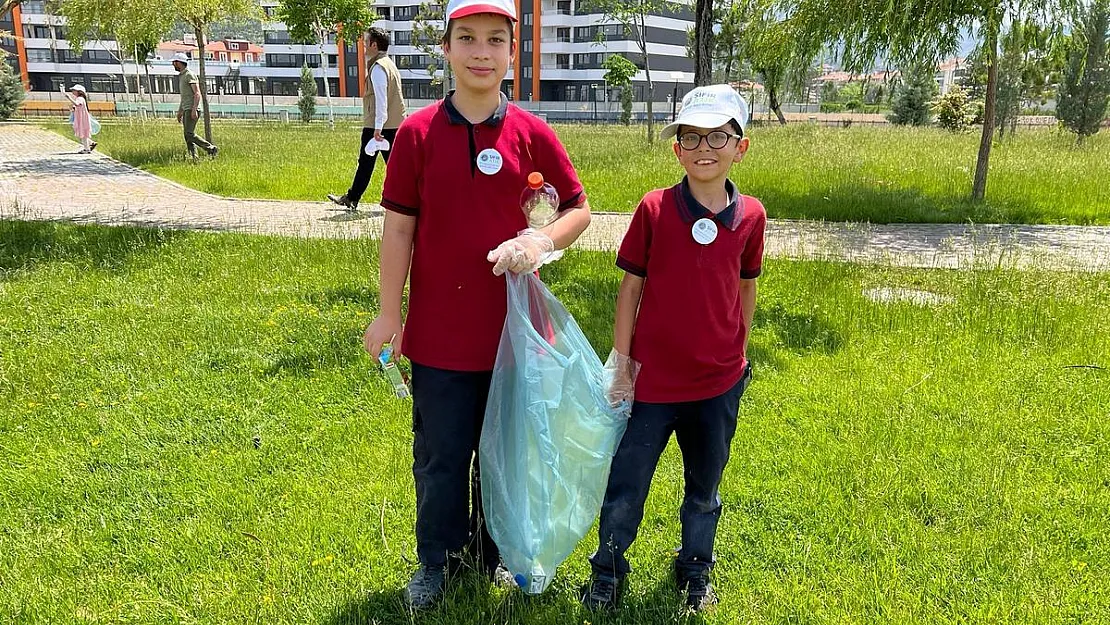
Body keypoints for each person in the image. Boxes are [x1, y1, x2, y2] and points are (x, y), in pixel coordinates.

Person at [360, 0, 592, 610]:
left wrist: (541, 238)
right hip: (438, 337)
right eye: (467, 39)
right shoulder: (417, 134)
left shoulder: (531, 132)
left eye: (495, 40)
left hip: (513, 335)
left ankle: (493, 555)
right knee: (440, 458)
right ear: (447, 50)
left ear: (513, 53)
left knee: (503, 455)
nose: (481, 52)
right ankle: (436, 560)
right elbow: (399, 231)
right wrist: (390, 313)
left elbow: (578, 207)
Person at [581, 84, 766, 613]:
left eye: (718, 136)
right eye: (691, 137)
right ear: (676, 147)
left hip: (717, 384)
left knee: (704, 490)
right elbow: (631, 289)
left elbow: (746, 286)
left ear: (740, 147)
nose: (704, 148)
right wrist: (622, 365)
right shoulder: (655, 208)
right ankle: (608, 571)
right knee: (627, 486)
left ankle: (695, 570)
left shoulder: (752, 216)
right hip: (653, 383)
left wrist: (740, 354)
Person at [327, 27, 406, 211]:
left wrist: (377, 128)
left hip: (378, 126)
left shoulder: (378, 68)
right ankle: (353, 197)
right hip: (393, 123)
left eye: (366, 42)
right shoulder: (390, 64)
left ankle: (355, 198)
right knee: (389, 166)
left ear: (374, 44)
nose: (363, 47)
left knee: (371, 163)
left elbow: (381, 100)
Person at [172, 52, 218, 160]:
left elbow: (197, 93)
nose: (173, 64)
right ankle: (194, 158)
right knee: (187, 136)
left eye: (174, 62)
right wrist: (180, 111)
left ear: (179, 63)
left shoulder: (189, 75)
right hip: (186, 108)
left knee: (189, 134)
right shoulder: (182, 76)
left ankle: (210, 148)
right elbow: (185, 97)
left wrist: (194, 110)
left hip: (191, 109)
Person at [61, 84, 94, 154]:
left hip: (82, 119)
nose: (72, 92)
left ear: (79, 91)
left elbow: (77, 104)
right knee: (84, 134)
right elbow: (76, 107)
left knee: (83, 134)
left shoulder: (80, 99)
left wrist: (69, 98)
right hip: (81, 118)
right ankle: (90, 144)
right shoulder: (80, 99)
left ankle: (86, 149)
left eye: (74, 90)